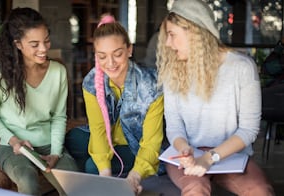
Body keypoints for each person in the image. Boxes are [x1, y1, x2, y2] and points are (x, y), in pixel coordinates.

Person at [156, 0, 275, 195]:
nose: (168, 43)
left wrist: (209, 158)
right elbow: (175, 127)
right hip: (188, 155)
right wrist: (185, 150)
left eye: (172, 35)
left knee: (260, 191)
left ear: (194, 32)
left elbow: (249, 129)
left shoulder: (242, 68)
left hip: (231, 155)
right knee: (195, 188)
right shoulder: (173, 70)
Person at [0, 7, 78, 195]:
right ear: (18, 44)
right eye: (34, 44)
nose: (43, 49)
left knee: (76, 187)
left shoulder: (58, 72)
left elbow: (59, 116)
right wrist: (14, 140)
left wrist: (56, 153)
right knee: (28, 182)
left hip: (49, 143)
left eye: (46, 41)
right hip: (12, 147)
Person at [65, 14, 164, 195]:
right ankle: (97, 176)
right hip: (110, 138)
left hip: (134, 144)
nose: (110, 63)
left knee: (91, 166)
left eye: (117, 54)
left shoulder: (151, 86)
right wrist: (106, 172)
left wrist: (135, 175)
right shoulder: (91, 82)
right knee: (73, 139)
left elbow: (151, 143)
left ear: (129, 50)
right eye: (102, 57)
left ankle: (96, 175)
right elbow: (98, 128)